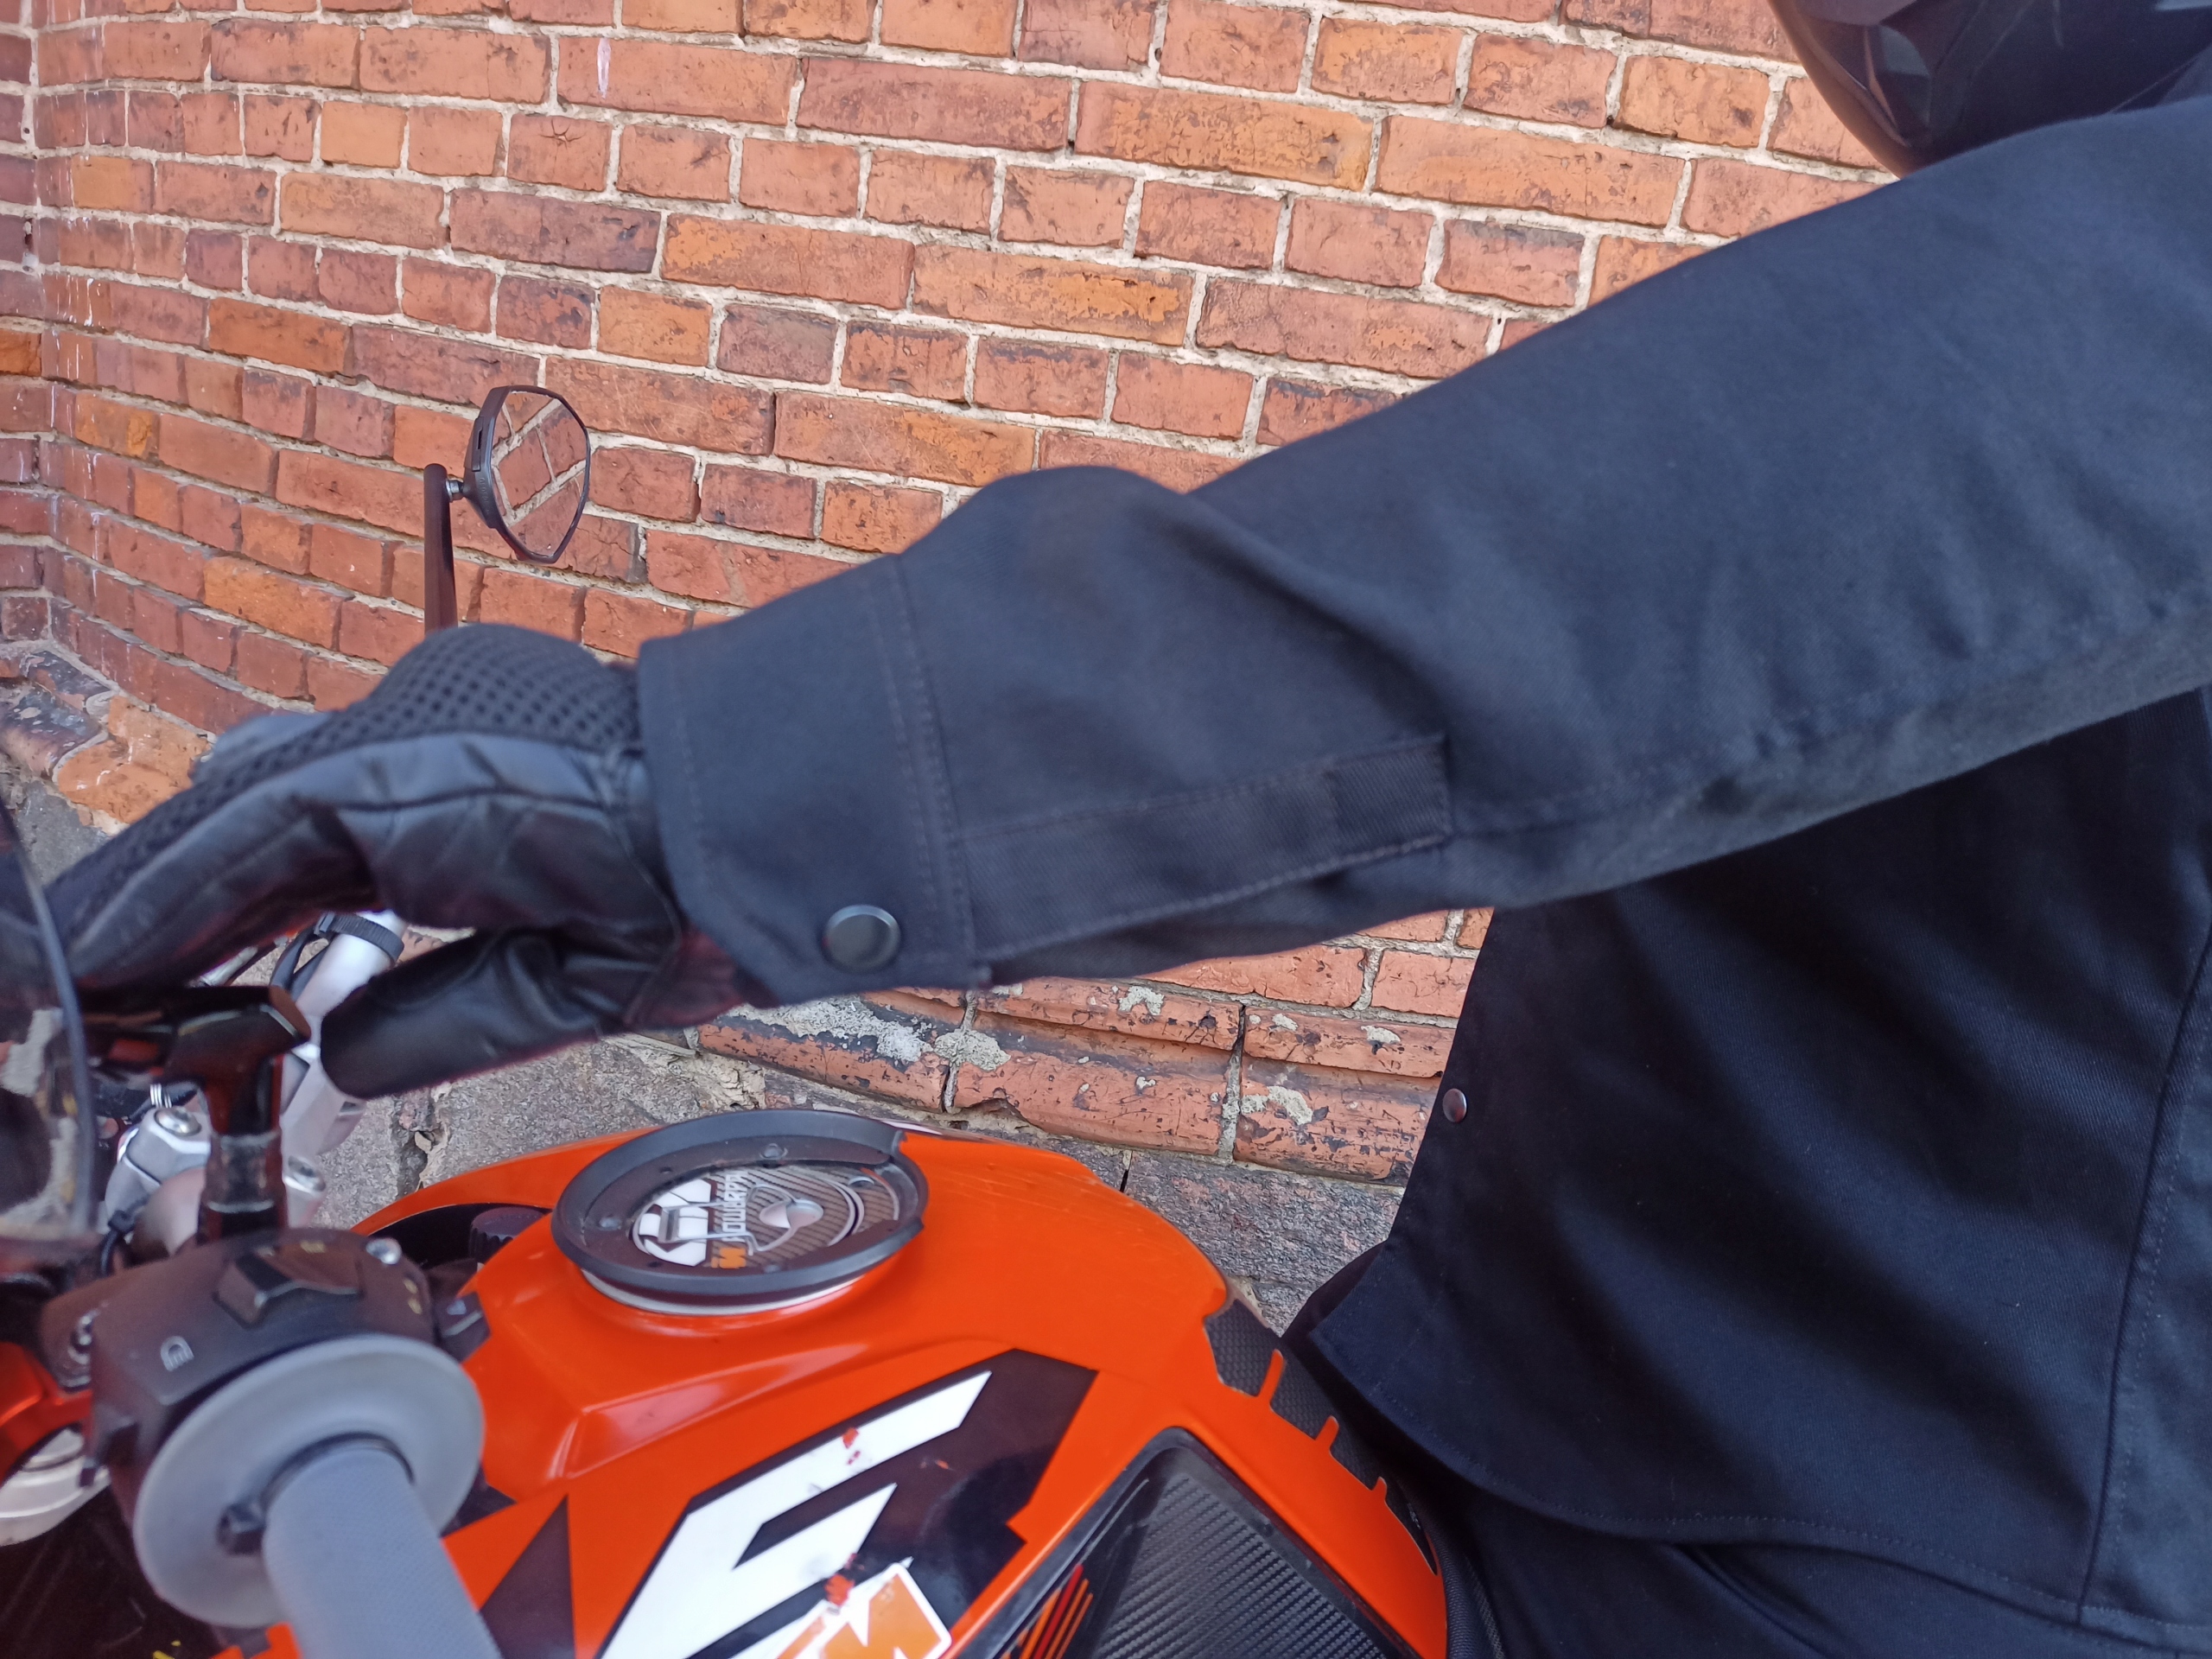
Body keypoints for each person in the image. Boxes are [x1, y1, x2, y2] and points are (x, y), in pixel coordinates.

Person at [52, 1, 2212, 1649]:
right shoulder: (2065, 179)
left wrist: (705, 796)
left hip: (1864, 1579)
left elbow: (1676, 566)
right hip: (1506, 1397)